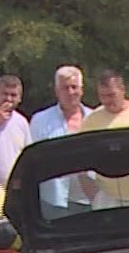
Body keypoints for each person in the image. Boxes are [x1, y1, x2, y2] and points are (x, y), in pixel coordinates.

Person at [77, 69, 129, 207]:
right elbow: (80, 161)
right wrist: (93, 196)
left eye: (111, 95)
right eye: (102, 96)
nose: (107, 101)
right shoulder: (91, 120)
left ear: (122, 90)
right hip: (107, 198)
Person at [29, 65, 90, 217]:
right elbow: (32, 160)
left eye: (74, 87)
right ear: (57, 91)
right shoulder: (40, 120)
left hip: (90, 197)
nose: (70, 92)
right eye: (65, 88)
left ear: (81, 90)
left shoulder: (95, 118)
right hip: (53, 199)